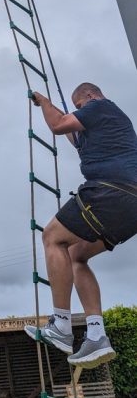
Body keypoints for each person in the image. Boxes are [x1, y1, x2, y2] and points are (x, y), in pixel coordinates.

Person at [24, 82, 137, 368]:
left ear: (90, 96)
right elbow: (72, 132)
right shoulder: (103, 128)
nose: (80, 112)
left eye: (80, 107)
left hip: (110, 192)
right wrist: (51, 108)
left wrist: (46, 101)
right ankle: (97, 336)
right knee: (77, 256)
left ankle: (61, 326)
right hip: (130, 207)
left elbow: (60, 125)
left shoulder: (100, 106)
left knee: (52, 237)